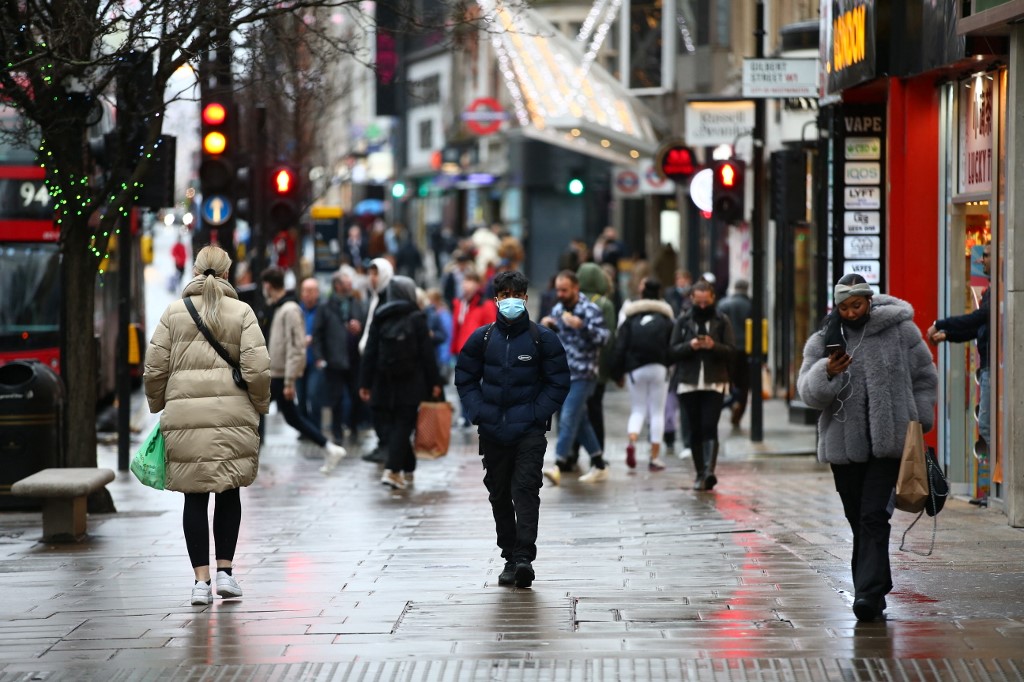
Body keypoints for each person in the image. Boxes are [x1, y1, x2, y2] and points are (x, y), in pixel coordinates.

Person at [797, 274, 937, 622]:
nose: (851, 311)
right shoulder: (824, 340)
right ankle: (876, 584)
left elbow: (924, 377)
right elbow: (807, 393)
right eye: (843, 307)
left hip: (890, 442)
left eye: (856, 304)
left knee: (874, 515)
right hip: (844, 446)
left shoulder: (901, 331)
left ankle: (867, 594)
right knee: (858, 518)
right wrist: (826, 373)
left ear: (869, 300)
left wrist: (917, 419)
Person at [144, 245, 271, 606]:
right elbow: (257, 370)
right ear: (228, 274)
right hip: (233, 415)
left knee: (194, 497)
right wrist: (259, 406)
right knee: (229, 492)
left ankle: (201, 582)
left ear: (195, 272)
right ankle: (225, 573)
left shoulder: (173, 313)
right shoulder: (243, 312)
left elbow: (154, 370)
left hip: (185, 417)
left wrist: (159, 405)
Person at [454, 270, 570, 588]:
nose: (509, 301)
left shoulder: (541, 339)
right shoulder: (483, 338)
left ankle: (523, 559)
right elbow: (464, 376)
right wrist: (479, 411)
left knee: (526, 491)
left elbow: (559, 381)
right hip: (492, 431)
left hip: (529, 431)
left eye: (515, 295)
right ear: (496, 299)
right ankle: (509, 555)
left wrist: (536, 413)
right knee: (499, 494)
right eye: (504, 295)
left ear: (525, 298)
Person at [260, 267, 349, 473]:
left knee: (259, 408)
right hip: (279, 373)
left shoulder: (290, 310)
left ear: (269, 286)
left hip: (283, 375)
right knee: (292, 417)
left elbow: (297, 347)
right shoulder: (280, 308)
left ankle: (330, 448)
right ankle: (330, 448)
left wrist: (290, 381)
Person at [359, 276, 444, 489]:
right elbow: (427, 354)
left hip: (384, 381)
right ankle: (393, 470)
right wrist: (435, 382)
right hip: (412, 382)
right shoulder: (417, 317)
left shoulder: (380, 316)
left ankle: (407, 466)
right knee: (403, 424)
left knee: (396, 425)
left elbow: (370, 352)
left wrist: (365, 383)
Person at [541, 270, 611, 484]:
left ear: (575, 288)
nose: (560, 294)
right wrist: (547, 327)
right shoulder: (558, 309)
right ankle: (599, 463)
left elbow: (605, 338)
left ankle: (558, 464)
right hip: (562, 372)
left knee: (568, 415)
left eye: (565, 290)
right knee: (581, 420)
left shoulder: (590, 310)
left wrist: (582, 326)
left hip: (584, 372)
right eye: (558, 290)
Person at [926, 244, 991, 458]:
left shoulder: (997, 291)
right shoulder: (993, 290)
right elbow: (978, 326)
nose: (981, 261)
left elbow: (977, 319)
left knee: (987, 425)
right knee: (987, 425)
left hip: (993, 368)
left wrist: (941, 323)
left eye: (986, 256)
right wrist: (948, 335)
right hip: (990, 367)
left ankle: (1005, 480)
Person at [669, 280, 734, 491]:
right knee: (695, 428)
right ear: (692, 299)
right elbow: (672, 351)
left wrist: (713, 346)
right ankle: (700, 474)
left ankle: (709, 471)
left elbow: (732, 351)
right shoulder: (683, 320)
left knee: (709, 425)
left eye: (706, 301)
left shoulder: (722, 320)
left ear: (713, 298)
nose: (703, 306)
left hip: (715, 381)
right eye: (699, 302)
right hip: (688, 381)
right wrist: (691, 345)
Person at [611, 278, 675, 471]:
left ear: (642, 294)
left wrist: (618, 373)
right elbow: (673, 346)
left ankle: (632, 441)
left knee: (638, 409)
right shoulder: (666, 319)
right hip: (659, 368)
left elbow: (620, 347)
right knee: (657, 412)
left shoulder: (630, 318)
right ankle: (654, 458)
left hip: (635, 370)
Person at [565, 262, 617, 470]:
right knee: (594, 411)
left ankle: (571, 452)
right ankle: (598, 454)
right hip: (598, 368)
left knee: (575, 410)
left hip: (573, 366)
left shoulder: (573, 301)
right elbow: (610, 338)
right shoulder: (604, 304)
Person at [312, 268, 366, 444]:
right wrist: (320, 356)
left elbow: (365, 326)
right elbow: (318, 334)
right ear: (337, 285)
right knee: (335, 398)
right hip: (334, 360)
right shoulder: (325, 307)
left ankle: (354, 427)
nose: (350, 285)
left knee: (356, 395)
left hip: (354, 359)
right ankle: (337, 432)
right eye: (346, 282)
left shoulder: (355, 303)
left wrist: (359, 329)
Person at [450, 271, 497, 425]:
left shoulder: (486, 304)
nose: (466, 285)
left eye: (470, 280)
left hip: (479, 351)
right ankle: (466, 414)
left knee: (481, 383)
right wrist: (453, 349)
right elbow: (456, 328)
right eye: (465, 280)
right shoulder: (459, 304)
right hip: (461, 350)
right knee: (463, 383)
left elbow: (491, 328)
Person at [717, 279, 753, 429]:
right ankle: (739, 408)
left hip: (727, 348)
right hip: (746, 349)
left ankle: (732, 402)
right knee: (744, 382)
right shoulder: (751, 305)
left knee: (728, 379)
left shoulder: (723, 304)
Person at [295, 278, 324, 430]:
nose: (307, 294)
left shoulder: (322, 310)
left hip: (315, 360)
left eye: (311, 291)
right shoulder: (296, 310)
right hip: (299, 361)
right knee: (301, 397)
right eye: (305, 291)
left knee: (313, 395)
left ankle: (316, 427)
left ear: (317, 293)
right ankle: (304, 428)